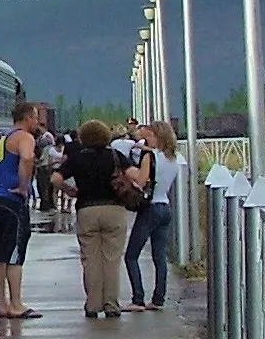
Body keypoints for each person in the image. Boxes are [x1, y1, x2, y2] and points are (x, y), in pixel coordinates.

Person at [0, 102, 49, 322]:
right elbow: (27, 159)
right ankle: (17, 304)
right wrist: (23, 185)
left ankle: (2, 304)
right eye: (35, 117)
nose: (37, 122)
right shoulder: (24, 138)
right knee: (14, 255)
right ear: (27, 117)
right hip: (12, 203)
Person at [64, 118, 134, 318]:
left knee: (90, 259)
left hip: (87, 209)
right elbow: (135, 175)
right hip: (114, 209)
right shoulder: (115, 156)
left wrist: (69, 190)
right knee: (112, 259)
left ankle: (93, 304)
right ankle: (111, 304)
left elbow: (55, 178)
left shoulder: (77, 158)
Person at [123, 121, 183, 310]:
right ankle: (158, 298)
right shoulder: (175, 158)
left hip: (150, 208)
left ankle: (138, 298)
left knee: (131, 255)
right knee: (160, 256)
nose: (146, 140)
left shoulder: (150, 157)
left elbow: (141, 182)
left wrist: (130, 176)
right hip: (165, 206)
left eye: (149, 136)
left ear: (157, 137)